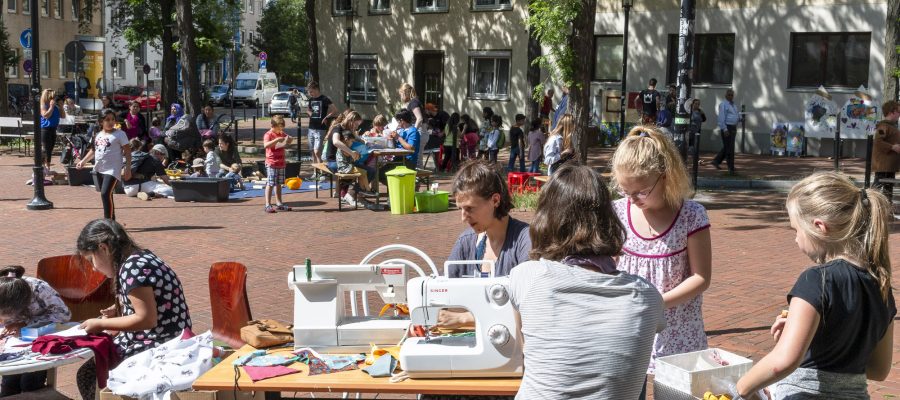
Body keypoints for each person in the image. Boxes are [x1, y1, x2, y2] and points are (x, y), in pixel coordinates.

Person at [510, 164, 665, 399]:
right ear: (609, 218)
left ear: (546, 220)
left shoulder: (528, 277)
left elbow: (523, 348)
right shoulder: (648, 297)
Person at [735, 172, 895, 399]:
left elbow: (783, 362)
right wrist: (808, 339)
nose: (796, 239)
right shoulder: (882, 287)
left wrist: (740, 387)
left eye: (796, 230)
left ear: (819, 226)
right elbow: (878, 370)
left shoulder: (816, 280)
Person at [610, 126, 712, 397]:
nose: (632, 199)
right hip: (630, 328)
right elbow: (609, 267)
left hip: (678, 330)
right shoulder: (618, 212)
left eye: (641, 192)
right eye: (624, 190)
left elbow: (701, 277)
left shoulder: (691, 215)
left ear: (665, 176)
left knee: (675, 394)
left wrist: (656, 302)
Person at [74, 218, 192, 400]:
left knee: (88, 375)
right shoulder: (140, 257)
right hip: (169, 337)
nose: (94, 268)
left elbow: (147, 318)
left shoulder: (132, 268)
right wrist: (120, 308)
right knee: (90, 371)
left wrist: (98, 324)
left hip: (159, 345)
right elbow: (153, 300)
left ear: (103, 248)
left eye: (91, 260)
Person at [446, 160, 531, 280]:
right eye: (460, 208)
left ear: (495, 200)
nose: (463, 218)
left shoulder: (525, 240)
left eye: (469, 208)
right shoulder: (465, 242)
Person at [0, 265, 71, 397]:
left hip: (39, 336)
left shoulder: (40, 289)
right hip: (13, 342)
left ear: (22, 304)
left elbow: (64, 315)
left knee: (30, 383)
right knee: (9, 383)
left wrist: (25, 323)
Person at [76, 110, 132, 220]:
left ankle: (108, 222)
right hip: (99, 169)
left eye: (112, 119)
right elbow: (93, 150)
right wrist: (83, 161)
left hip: (112, 170)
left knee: (105, 193)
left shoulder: (120, 134)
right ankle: (112, 220)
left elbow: (128, 152)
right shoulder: (98, 135)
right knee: (108, 195)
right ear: (101, 122)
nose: (111, 122)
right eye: (107, 120)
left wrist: (128, 168)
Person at [263, 115, 293, 213]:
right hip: (272, 162)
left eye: (282, 127)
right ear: (273, 125)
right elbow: (265, 145)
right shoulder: (268, 134)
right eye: (279, 127)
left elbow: (288, 140)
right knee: (271, 183)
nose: (280, 130)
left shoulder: (281, 133)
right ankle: (267, 204)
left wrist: (289, 139)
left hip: (281, 162)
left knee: (279, 183)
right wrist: (276, 140)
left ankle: (279, 203)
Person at [306, 81, 337, 178]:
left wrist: (326, 117)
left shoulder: (325, 99)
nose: (310, 94)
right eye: (309, 92)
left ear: (316, 89)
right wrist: (311, 115)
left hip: (320, 128)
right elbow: (308, 109)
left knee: (317, 151)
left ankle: (322, 172)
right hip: (311, 127)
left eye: (311, 92)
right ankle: (315, 172)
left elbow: (334, 110)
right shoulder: (311, 100)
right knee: (312, 151)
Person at [873, 100, 900, 208]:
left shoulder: (892, 126)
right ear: (891, 112)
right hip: (883, 165)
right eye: (898, 111)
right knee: (878, 187)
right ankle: (871, 206)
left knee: (888, 187)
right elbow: (878, 141)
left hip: (889, 165)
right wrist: (893, 147)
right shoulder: (883, 126)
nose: (899, 114)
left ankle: (887, 209)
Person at [336, 130, 371, 208]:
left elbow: (353, 156)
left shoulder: (346, 147)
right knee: (363, 172)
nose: (352, 143)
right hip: (345, 168)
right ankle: (368, 190)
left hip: (347, 166)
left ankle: (363, 189)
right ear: (346, 139)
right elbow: (351, 155)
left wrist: (355, 154)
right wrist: (355, 154)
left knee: (362, 173)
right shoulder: (344, 148)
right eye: (351, 141)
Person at [713, 89, 740, 173]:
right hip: (727, 127)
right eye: (729, 95)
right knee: (730, 148)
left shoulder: (734, 105)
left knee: (728, 147)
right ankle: (730, 168)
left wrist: (740, 119)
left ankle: (716, 161)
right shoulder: (723, 105)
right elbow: (721, 118)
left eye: (732, 95)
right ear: (725, 95)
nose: (730, 96)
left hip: (733, 127)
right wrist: (724, 129)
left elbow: (735, 116)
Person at [39, 89, 66, 170]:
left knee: (50, 149)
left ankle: (47, 166)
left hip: (53, 129)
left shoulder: (56, 106)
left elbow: (63, 116)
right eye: (53, 97)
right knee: (46, 149)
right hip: (45, 129)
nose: (54, 99)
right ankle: (45, 166)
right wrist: (51, 107)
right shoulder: (44, 105)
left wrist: (61, 107)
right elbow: (46, 116)